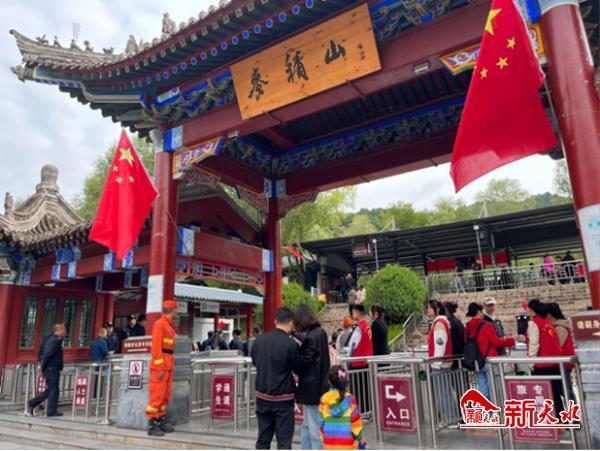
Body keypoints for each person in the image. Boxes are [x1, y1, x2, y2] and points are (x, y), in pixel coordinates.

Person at [251, 307, 303, 450]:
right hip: (283, 398)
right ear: (291, 323)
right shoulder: (291, 344)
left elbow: (255, 361)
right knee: (284, 442)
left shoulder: (259, 340)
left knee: (263, 439)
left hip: (262, 396)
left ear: (275, 321)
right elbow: (298, 368)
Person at [294, 304, 331, 450]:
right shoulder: (320, 332)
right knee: (308, 423)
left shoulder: (310, 337)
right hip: (321, 384)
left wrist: (296, 355)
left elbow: (304, 362)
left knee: (312, 424)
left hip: (311, 387)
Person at [465, 303, 516, 399]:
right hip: (490, 360)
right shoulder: (486, 325)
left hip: (477, 362)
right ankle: (496, 407)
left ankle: (485, 408)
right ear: (479, 312)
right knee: (495, 388)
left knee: (482, 389)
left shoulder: (468, 327)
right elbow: (496, 342)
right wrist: (512, 340)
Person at [526, 299, 565, 412]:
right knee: (555, 394)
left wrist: (531, 363)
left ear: (532, 310)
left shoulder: (534, 323)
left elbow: (534, 344)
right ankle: (561, 418)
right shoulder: (547, 322)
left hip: (541, 364)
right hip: (554, 362)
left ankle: (549, 418)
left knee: (544, 395)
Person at [146, 300, 177, 437]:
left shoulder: (168, 325)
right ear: (173, 310)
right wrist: (159, 367)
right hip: (161, 365)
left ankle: (160, 420)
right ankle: (152, 424)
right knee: (157, 395)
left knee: (165, 395)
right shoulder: (160, 325)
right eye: (176, 309)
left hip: (168, 364)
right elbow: (156, 348)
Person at [319, 366, 365, 450]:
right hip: (347, 444)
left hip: (329, 443)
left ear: (329, 381)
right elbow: (355, 423)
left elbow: (321, 422)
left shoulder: (324, 399)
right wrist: (360, 438)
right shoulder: (350, 399)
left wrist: (323, 439)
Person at [27, 324, 66, 417]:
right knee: (53, 389)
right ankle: (49, 410)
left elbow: (40, 352)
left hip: (48, 367)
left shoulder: (46, 339)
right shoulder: (56, 340)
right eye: (64, 330)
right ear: (59, 330)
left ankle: (34, 403)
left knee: (53, 389)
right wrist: (42, 366)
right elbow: (48, 354)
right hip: (51, 367)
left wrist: (41, 364)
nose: (65, 332)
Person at [426, 300, 454, 423]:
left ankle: (449, 418)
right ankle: (451, 418)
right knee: (445, 392)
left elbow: (440, 345)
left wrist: (436, 363)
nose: (427, 310)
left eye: (429, 308)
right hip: (442, 363)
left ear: (436, 309)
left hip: (440, 365)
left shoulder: (439, 324)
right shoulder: (441, 322)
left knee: (443, 394)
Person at [346, 304, 373, 416]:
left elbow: (352, 345)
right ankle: (368, 412)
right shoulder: (367, 326)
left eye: (353, 312)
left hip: (357, 363)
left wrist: (348, 357)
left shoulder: (359, 328)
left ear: (358, 313)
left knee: (358, 390)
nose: (352, 315)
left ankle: (362, 413)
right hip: (366, 362)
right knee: (366, 389)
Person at [546, 302, 576, 400]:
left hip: (563, 363)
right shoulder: (557, 326)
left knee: (566, 390)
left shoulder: (560, 327)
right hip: (561, 363)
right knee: (564, 390)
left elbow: (557, 345)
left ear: (549, 314)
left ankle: (573, 408)